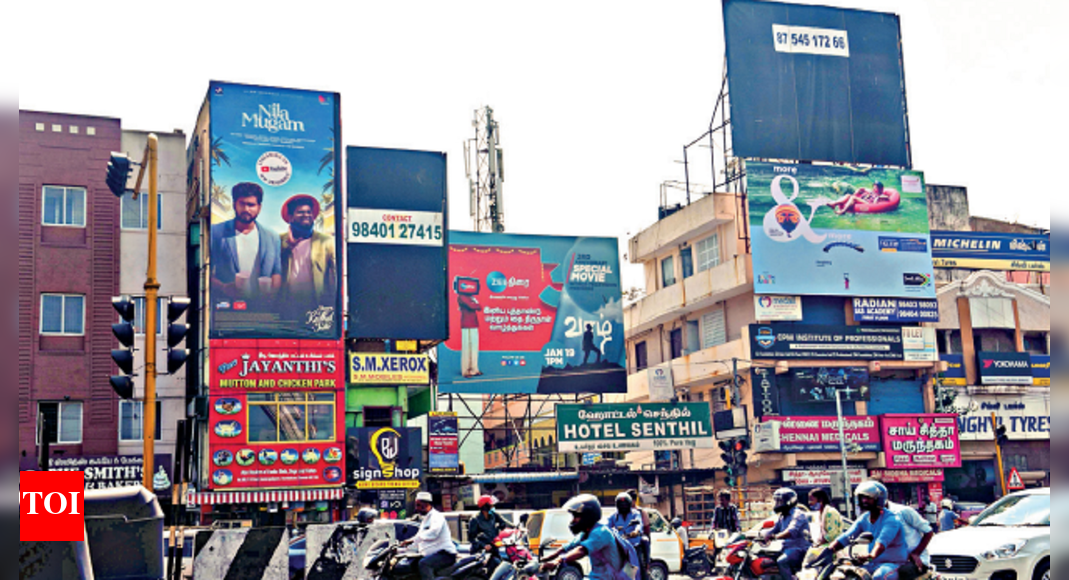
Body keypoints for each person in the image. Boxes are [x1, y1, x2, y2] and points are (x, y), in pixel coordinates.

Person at [820, 481, 908, 580]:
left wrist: (870, 556)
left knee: (880, 576)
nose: (864, 500)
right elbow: (847, 536)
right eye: (862, 497)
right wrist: (828, 550)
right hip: (873, 563)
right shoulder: (865, 518)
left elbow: (881, 544)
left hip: (891, 564)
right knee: (846, 575)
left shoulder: (891, 520)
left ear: (878, 499)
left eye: (869, 498)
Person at [210, 182, 282, 303]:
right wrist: (222, 287)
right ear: (234, 205)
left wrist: (273, 293)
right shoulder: (216, 232)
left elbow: (276, 271)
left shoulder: (272, 237)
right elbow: (204, 272)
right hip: (227, 309)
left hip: (262, 307)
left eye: (251, 205)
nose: (246, 209)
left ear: (259, 207)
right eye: (242, 204)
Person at [542, 495, 630, 580]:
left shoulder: (601, 533)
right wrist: (544, 559)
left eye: (576, 516)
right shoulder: (586, 533)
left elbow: (581, 550)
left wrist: (557, 561)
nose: (573, 520)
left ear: (588, 515)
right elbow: (567, 547)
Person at [279, 194, 337, 314]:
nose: (306, 215)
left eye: (309, 212)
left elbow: (337, 273)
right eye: (300, 212)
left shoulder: (326, 241)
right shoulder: (279, 241)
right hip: (287, 306)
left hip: (316, 306)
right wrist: (288, 246)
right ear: (290, 217)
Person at [403, 492, 457, 580]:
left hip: (445, 554)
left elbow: (434, 532)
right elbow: (418, 538)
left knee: (424, 564)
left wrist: (413, 540)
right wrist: (404, 547)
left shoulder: (436, 516)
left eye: (418, 505)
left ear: (426, 505)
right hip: (431, 554)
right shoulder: (425, 520)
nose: (416, 508)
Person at [762, 488, 811, 580]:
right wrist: (761, 535)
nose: (778, 504)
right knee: (765, 560)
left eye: (780, 501)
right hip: (787, 548)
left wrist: (775, 537)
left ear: (789, 501)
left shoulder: (798, 514)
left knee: (782, 561)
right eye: (777, 501)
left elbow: (791, 531)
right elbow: (774, 529)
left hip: (799, 549)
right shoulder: (782, 516)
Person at [886, 500, 934, 579]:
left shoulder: (903, 511)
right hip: (891, 560)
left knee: (904, 571)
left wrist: (916, 553)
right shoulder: (873, 517)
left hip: (913, 561)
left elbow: (928, 531)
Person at [608, 493, 647, 580]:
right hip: (619, 545)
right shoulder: (613, 516)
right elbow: (606, 527)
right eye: (621, 505)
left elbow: (639, 524)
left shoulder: (635, 513)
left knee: (639, 564)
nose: (623, 506)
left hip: (634, 545)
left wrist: (636, 531)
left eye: (625, 504)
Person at [469, 495, 513, 572]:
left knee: (500, 567)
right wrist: (483, 545)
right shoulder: (475, 519)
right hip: (481, 551)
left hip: (493, 547)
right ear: (485, 507)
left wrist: (517, 528)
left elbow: (505, 523)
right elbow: (471, 538)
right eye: (491, 505)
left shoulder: (494, 515)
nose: (493, 507)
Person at [457, 279, 482, 378]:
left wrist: (475, 305)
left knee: (474, 347)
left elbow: (479, 307)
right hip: (466, 324)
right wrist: (475, 305)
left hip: (474, 324)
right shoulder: (461, 297)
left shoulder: (471, 297)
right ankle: (465, 370)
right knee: (467, 348)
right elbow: (472, 306)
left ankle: (474, 369)